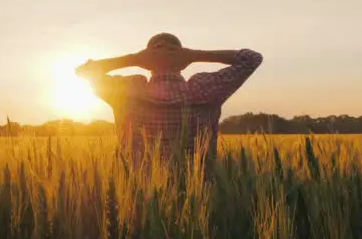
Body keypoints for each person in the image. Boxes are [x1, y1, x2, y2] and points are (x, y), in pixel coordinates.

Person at [75, 33, 262, 174]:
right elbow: (252, 59)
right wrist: (194, 55)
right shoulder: (205, 89)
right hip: (202, 200)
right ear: (182, 59)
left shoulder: (127, 91)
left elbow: (84, 71)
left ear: (146, 60)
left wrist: (135, 59)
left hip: (136, 201)